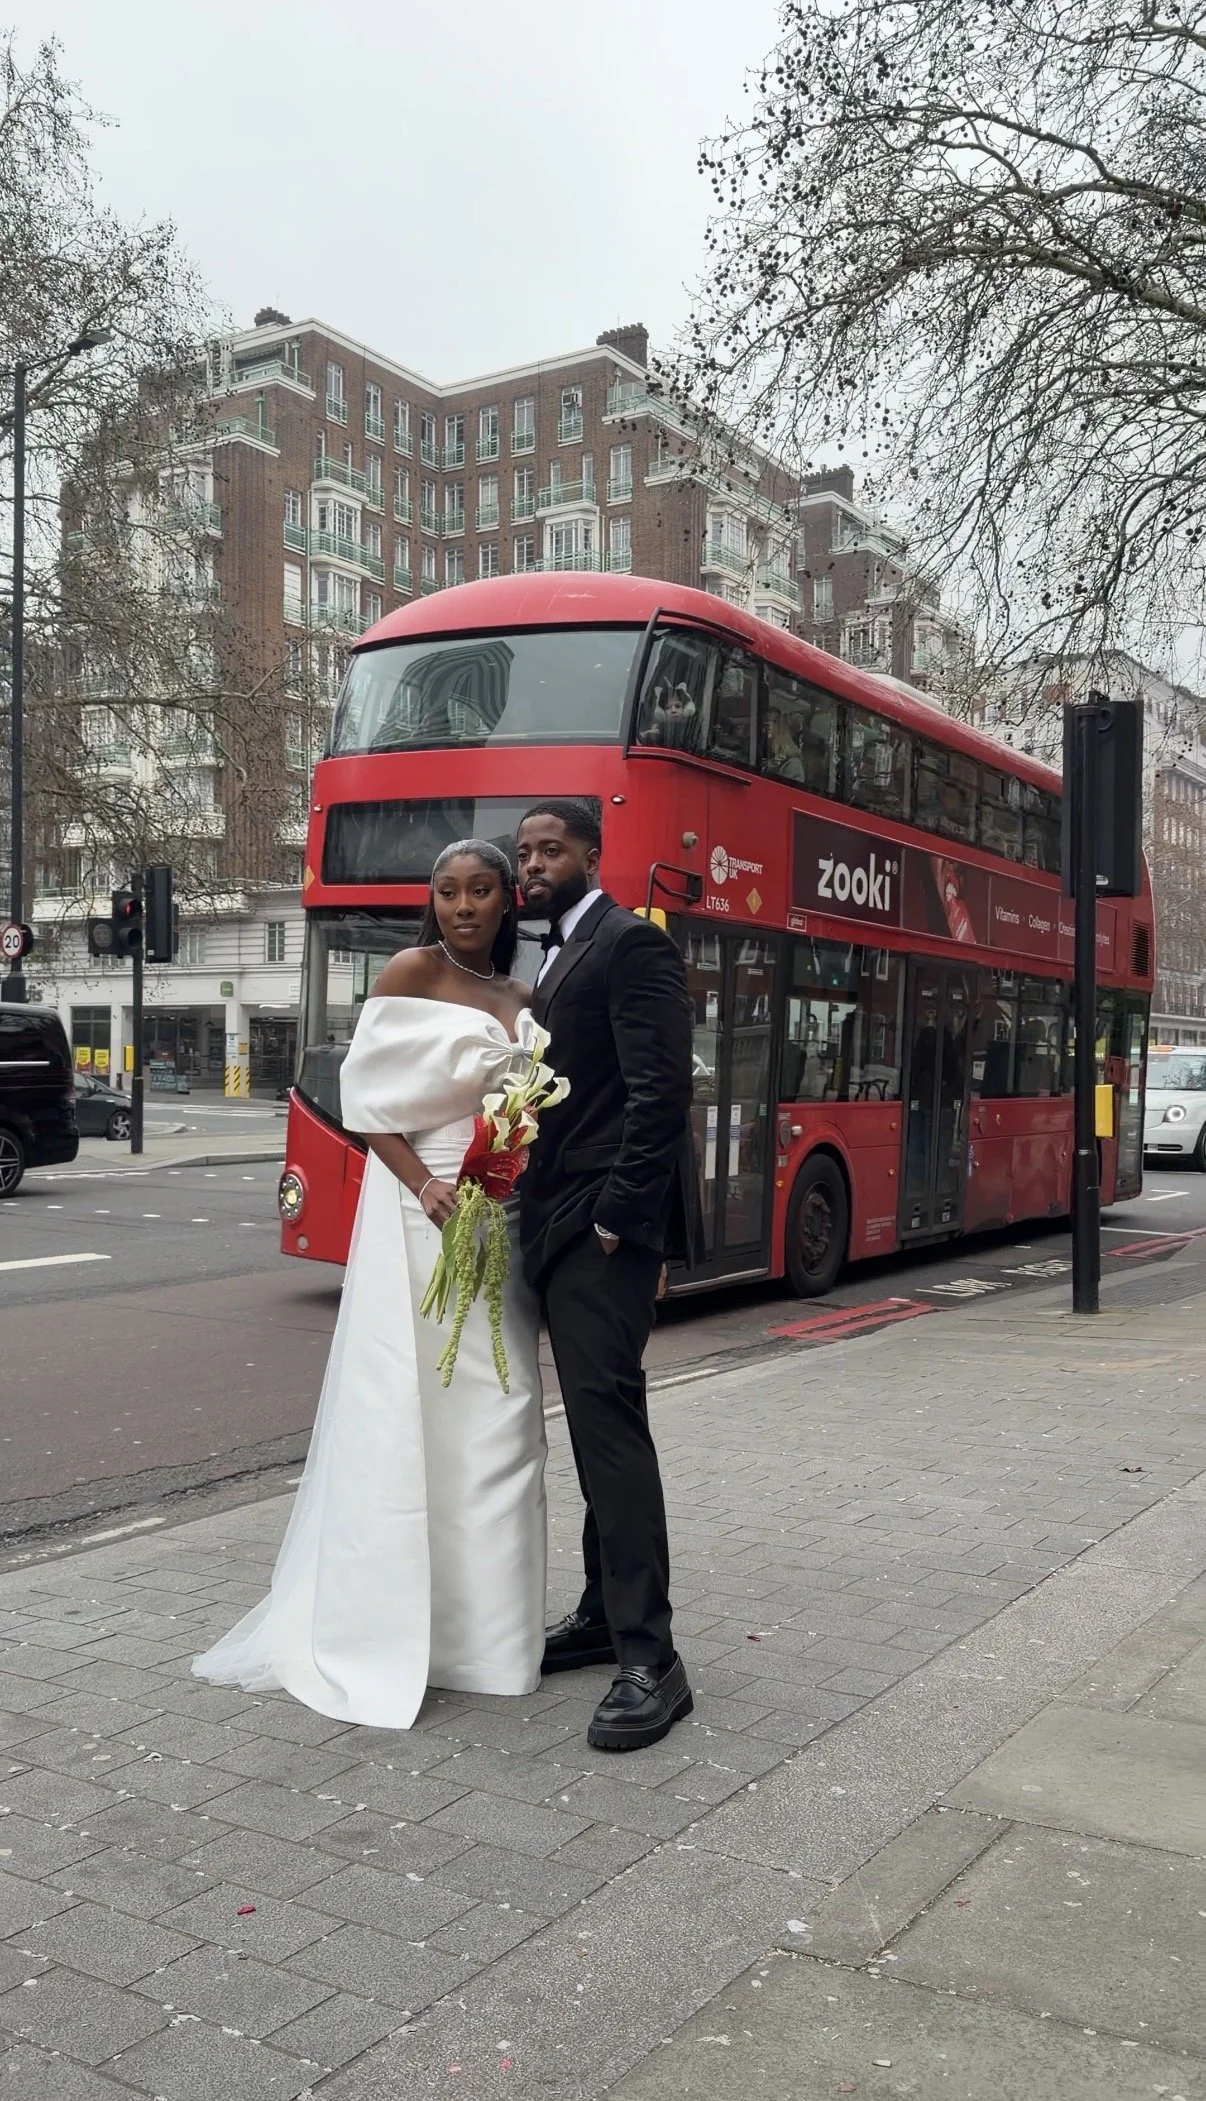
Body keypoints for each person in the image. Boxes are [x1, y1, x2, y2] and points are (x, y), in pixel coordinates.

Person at [192, 841, 547, 1728]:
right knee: (410, 1418)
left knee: (500, 1426)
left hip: (493, 1221)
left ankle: (489, 1645)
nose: (463, 905)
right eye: (447, 891)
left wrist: (507, 1169)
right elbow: (365, 1104)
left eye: (481, 890)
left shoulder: (522, 995)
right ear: (432, 901)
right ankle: (390, 1628)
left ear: (507, 901)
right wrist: (427, 1186)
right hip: (418, 1216)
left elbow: (527, 1105)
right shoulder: (407, 971)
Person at [515, 798, 702, 1753]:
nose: (536, 862)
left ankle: (652, 1660)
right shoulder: (552, 955)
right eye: (527, 851)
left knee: (610, 1432)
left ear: (592, 851)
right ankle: (599, 1616)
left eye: (553, 847)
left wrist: (620, 1225)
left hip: (600, 1233)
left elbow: (663, 1089)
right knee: (593, 1433)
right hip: (557, 1225)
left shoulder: (632, 945)